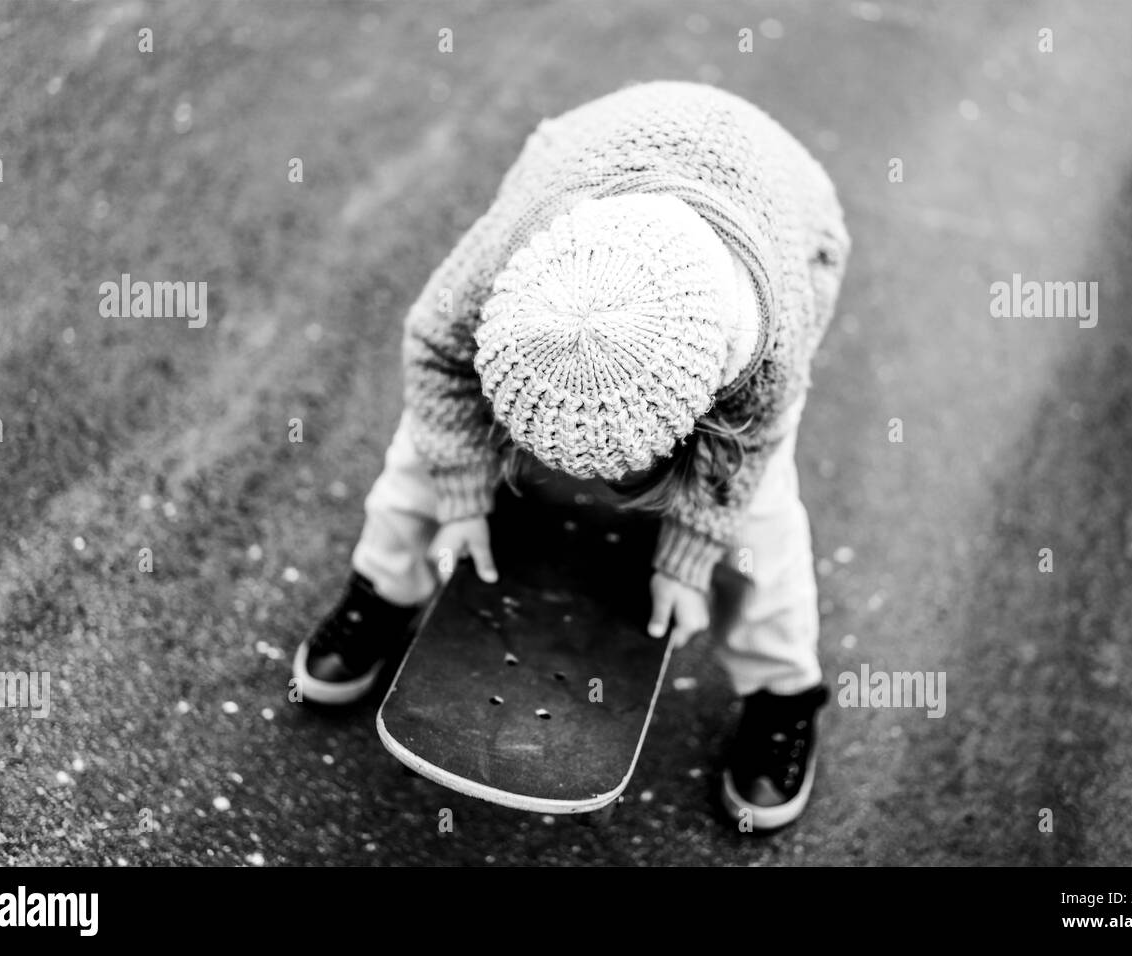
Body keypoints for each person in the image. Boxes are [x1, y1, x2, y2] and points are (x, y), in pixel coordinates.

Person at [292, 81, 850, 831]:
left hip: (788, 219)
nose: (584, 485)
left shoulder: (763, 349)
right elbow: (433, 348)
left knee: (761, 530)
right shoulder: (508, 262)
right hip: (591, 160)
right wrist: (461, 488)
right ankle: (383, 588)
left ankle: (783, 692)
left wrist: (687, 555)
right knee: (424, 448)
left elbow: (748, 450)